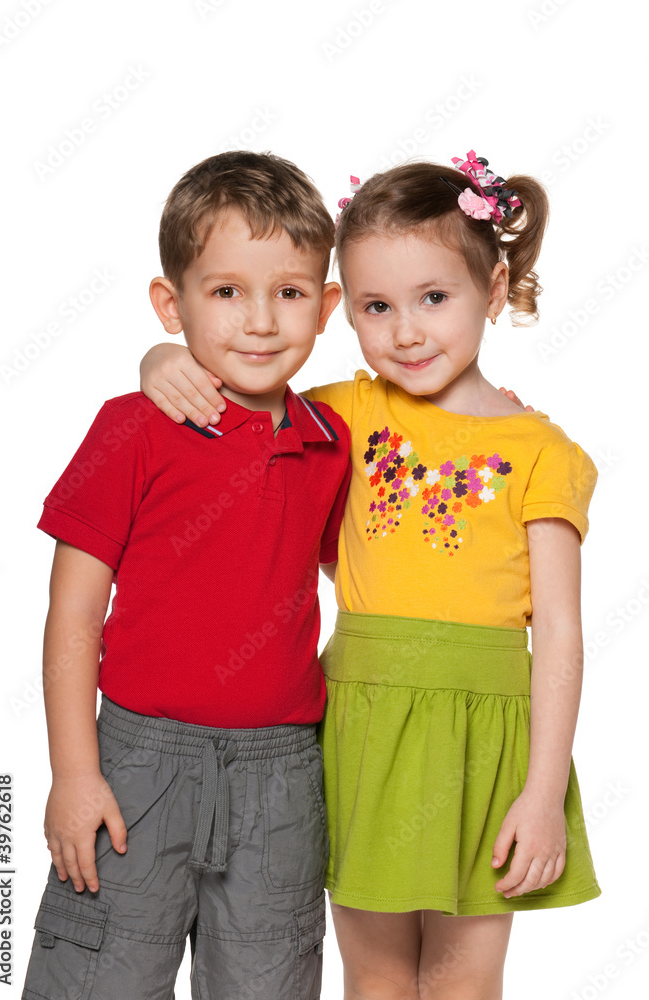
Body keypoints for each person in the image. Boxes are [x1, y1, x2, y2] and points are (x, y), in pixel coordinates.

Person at [139, 150, 601, 999]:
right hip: (360, 723)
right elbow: (237, 387)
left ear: (494, 288)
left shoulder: (543, 452)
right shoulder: (343, 415)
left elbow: (562, 634)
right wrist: (158, 362)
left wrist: (542, 794)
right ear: (341, 309)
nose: (406, 332)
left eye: (434, 298)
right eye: (375, 306)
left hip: (482, 736)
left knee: (464, 979)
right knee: (375, 976)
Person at [22, 150, 352, 1000]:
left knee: (268, 980)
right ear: (172, 306)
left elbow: (354, 571)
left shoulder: (331, 441)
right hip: (137, 763)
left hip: (282, 776)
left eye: (289, 292)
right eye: (226, 291)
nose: (260, 321)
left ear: (327, 307)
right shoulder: (132, 427)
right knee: (99, 977)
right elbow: (72, 615)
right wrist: (74, 772)